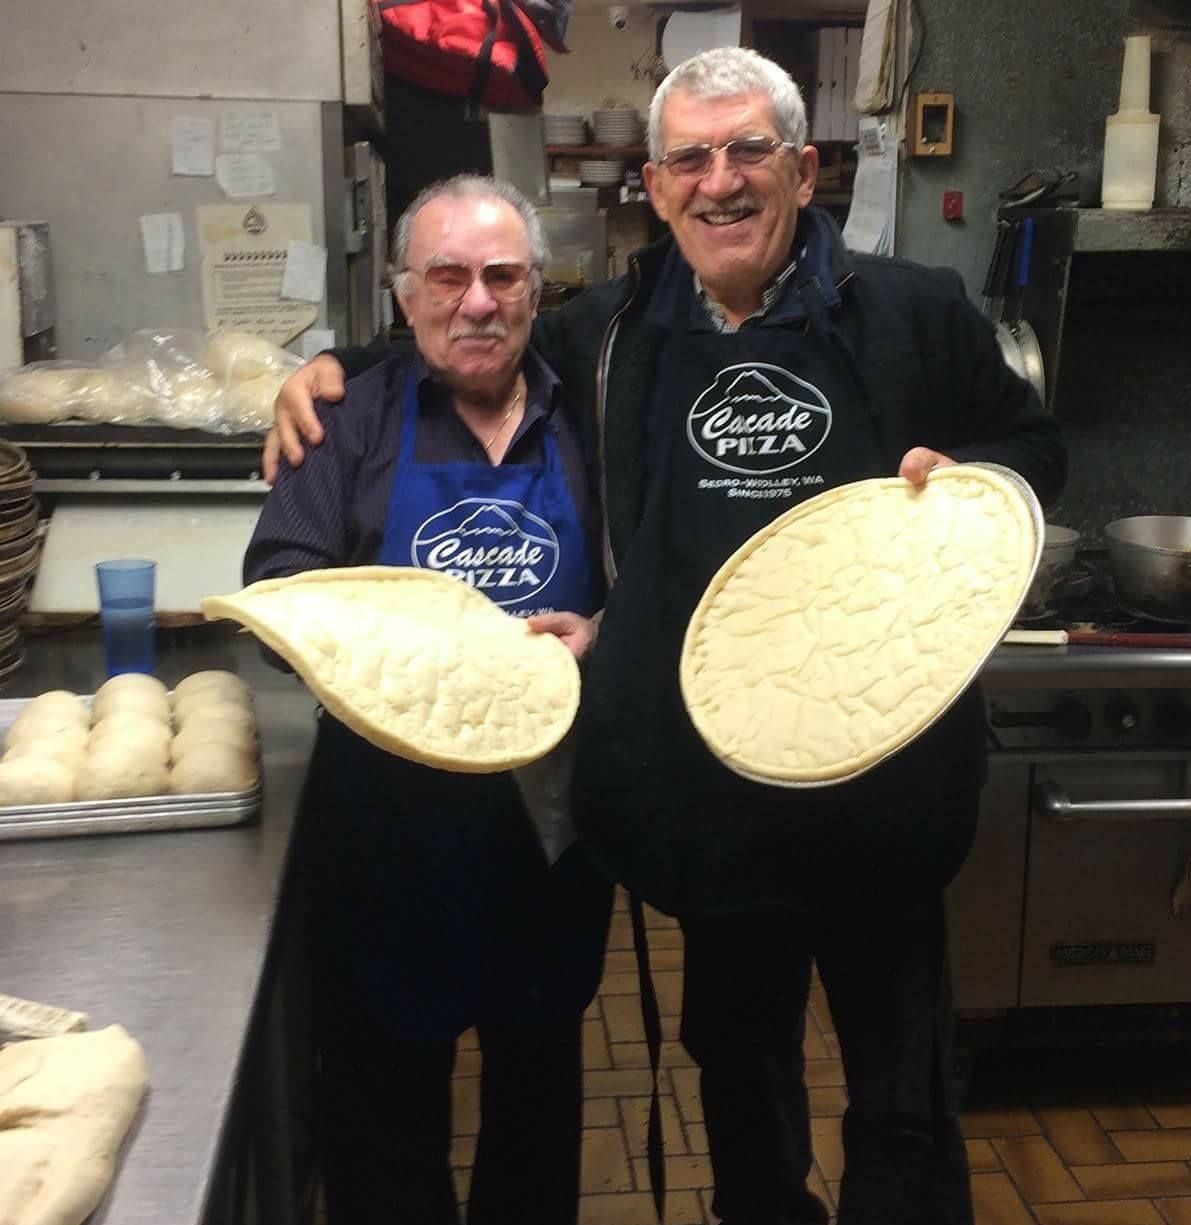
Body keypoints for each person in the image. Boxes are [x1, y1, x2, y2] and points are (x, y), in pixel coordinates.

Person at [263, 49, 1066, 1225]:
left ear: (804, 167)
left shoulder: (915, 313)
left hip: (885, 782)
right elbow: (471, 328)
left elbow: (1033, 454)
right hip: (716, 796)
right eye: (690, 157)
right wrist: (334, 369)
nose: (719, 181)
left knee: (902, 1099)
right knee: (743, 1084)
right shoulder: (614, 328)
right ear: (655, 180)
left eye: (747, 151)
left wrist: (980, 478)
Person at [244, 175, 611, 1225]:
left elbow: (648, 582)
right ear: (405, 297)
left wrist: (605, 637)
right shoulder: (347, 417)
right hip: (387, 837)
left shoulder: (591, 413)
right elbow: (281, 582)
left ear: (540, 292)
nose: (477, 302)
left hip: (547, 829)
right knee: (384, 1110)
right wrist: (418, 651)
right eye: (447, 276)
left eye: (502, 276)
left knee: (537, 1098)